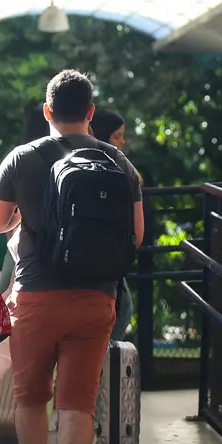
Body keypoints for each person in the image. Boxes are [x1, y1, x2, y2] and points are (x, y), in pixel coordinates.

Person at [0, 70, 144, 444]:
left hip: (35, 297)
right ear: (91, 112)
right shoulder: (120, 164)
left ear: (48, 111)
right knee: (78, 405)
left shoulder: (24, 157)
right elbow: (135, 237)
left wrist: (20, 217)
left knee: (32, 399)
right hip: (97, 299)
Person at [90, 108, 136, 342]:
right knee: (122, 309)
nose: (122, 141)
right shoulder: (115, 167)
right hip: (108, 257)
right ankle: (101, 366)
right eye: (117, 135)